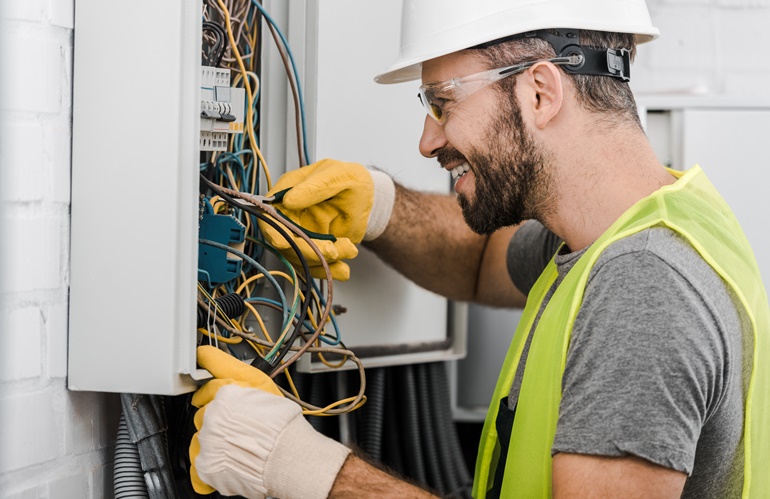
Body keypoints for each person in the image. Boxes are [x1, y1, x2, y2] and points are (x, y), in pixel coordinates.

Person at [189, 0, 770, 497]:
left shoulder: (643, 286)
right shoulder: (636, 226)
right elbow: (478, 263)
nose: (427, 140)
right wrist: (381, 207)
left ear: (541, 92)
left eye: (444, 102)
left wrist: (297, 464)